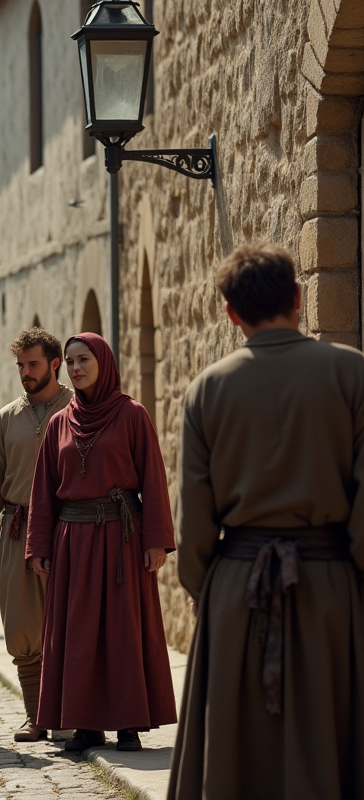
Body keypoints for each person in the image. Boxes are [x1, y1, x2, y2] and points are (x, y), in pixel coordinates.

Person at [167, 244, 364, 800]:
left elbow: (194, 518)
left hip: (237, 591)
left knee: (239, 756)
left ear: (231, 313)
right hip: (332, 590)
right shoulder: (353, 373)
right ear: (299, 297)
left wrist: (206, 587)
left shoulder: (207, 389)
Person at [25, 332, 175, 752]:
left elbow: (153, 480)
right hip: (73, 543)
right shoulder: (59, 423)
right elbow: (44, 491)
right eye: (70, 361)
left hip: (121, 539)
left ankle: (128, 724)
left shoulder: (132, 414)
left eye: (84, 360)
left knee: (123, 631)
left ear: (103, 362)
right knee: (78, 634)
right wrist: (39, 546)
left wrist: (156, 540)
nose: (76, 368)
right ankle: (86, 726)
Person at [0, 328, 72, 741]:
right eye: (20, 366)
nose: (25, 373)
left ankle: (72, 714)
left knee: (70, 624)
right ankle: (36, 716)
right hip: (16, 529)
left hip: (68, 529)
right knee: (22, 629)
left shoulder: (78, 408)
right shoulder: (6, 418)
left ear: (54, 364)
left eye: (33, 364)